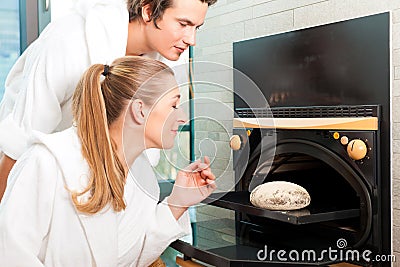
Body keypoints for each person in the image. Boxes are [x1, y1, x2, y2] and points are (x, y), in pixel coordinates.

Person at [0, 56, 217, 266]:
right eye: (173, 105)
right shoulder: (46, 162)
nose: (182, 118)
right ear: (140, 110)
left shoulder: (143, 179)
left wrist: (178, 201)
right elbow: (10, 255)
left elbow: (131, 257)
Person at [0, 0, 217, 200]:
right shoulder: (70, 40)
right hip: (26, 172)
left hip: (88, 182)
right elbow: (19, 145)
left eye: (196, 27)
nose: (192, 40)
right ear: (148, 10)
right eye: (183, 24)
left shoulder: (160, 61)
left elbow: (137, 156)